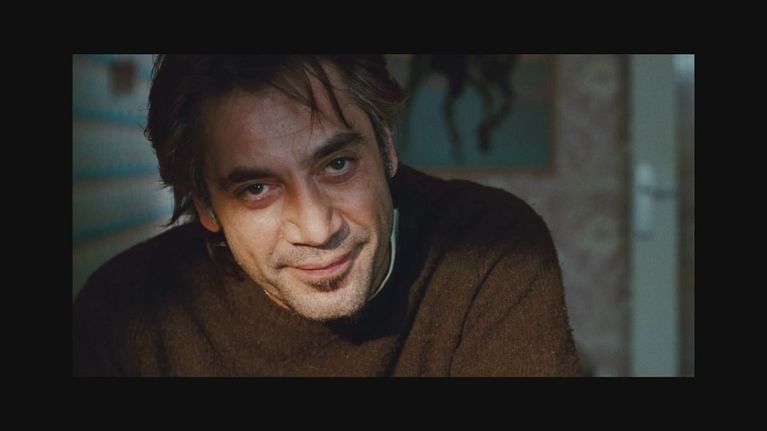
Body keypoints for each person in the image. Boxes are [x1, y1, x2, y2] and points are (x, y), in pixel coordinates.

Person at [72, 55, 582, 377]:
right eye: (256, 189)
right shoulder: (124, 313)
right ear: (205, 204)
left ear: (385, 146)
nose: (318, 229)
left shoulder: (495, 249)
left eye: (337, 165)